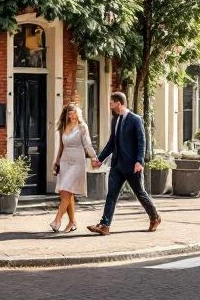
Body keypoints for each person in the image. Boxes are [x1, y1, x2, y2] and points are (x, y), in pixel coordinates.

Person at [87, 92, 160, 236]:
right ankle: (104, 225)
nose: (110, 105)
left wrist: (139, 161)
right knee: (111, 194)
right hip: (117, 166)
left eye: (111, 102)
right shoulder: (115, 120)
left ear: (118, 103)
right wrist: (100, 159)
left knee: (140, 193)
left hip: (132, 166)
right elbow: (111, 143)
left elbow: (141, 141)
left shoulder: (135, 119)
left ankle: (155, 217)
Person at [49, 103, 98, 234]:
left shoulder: (82, 127)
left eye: (74, 113)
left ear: (78, 113)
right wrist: (56, 161)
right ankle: (72, 222)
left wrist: (94, 158)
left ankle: (57, 220)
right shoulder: (63, 127)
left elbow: (87, 144)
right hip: (65, 160)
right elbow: (61, 146)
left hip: (78, 161)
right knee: (65, 192)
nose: (72, 115)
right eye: (69, 113)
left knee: (67, 190)